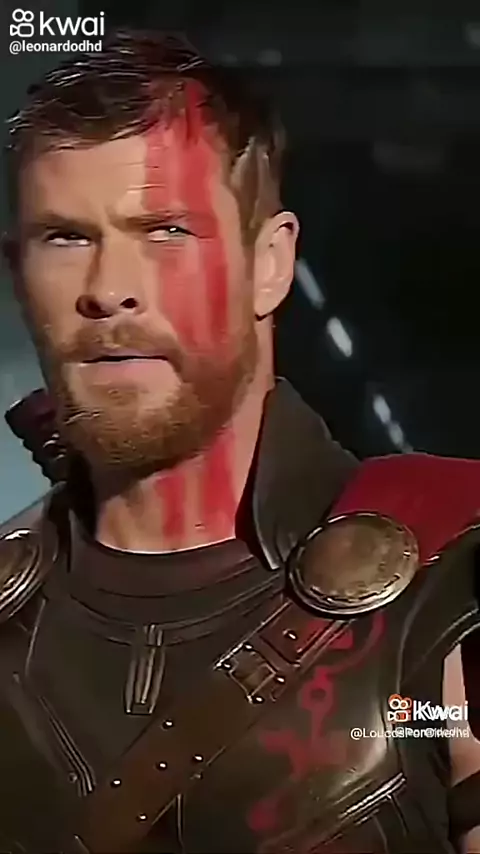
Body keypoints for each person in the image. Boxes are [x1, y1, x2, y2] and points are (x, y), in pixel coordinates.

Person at [1, 29, 480, 854]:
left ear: (270, 263)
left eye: (166, 231)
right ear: (18, 274)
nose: (109, 290)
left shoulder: (454, 573)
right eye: (67, 237)